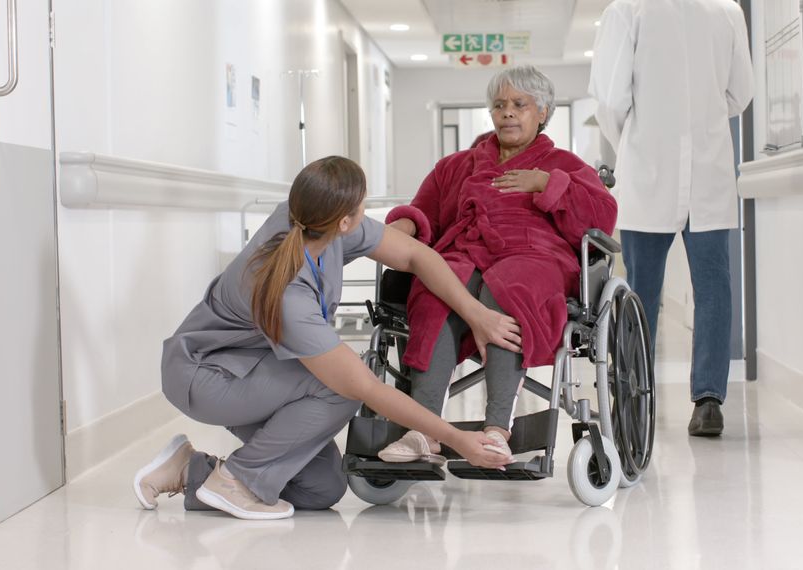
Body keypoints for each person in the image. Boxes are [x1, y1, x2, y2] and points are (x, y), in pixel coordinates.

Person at [133, 156, 520, 520]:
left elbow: (416, 257)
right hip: (206, 375)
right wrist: (456, 439)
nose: (366, 215)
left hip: (260, 372)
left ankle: (190, 468)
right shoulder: (288, 292)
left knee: (322, 488)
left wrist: (477, 314)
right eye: (363, 208)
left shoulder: (318, 222)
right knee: (342, 387)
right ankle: (237, 478)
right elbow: (365, 388)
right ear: (346, 220)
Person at [377, 65, 617, 463]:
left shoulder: (564, 163)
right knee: (435, 292)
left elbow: (601, 217)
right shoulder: (457, 165)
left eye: (519, 105)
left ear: (542, 112)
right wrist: (394, 229)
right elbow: (424, 212)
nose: (507, 112)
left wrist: (546, 184)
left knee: (511, 287)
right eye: (500, 105)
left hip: (536, 256)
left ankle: (496, 429)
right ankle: (424, 429)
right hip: (466, 253)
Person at [589, 0, 754, 436]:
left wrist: (637, 138)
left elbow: (609, 98)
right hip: (709, 170)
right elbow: (741, 94)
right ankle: (708, 402)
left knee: (640, 291)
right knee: (715, 286)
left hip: (648, 172)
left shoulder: (628, 9)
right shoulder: (727, 10)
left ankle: (632, 399)